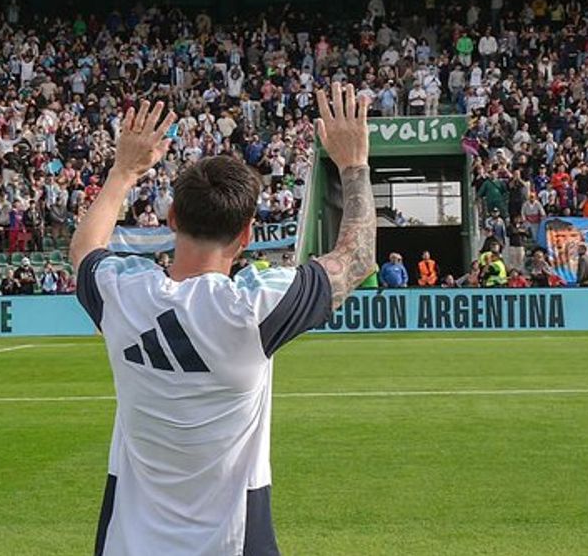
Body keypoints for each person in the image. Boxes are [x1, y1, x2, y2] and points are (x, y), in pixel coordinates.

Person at [69, 89, 375, 555]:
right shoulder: (255, 308)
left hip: (126, 544)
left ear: (171, 218)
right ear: (248, 234)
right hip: (233, 543)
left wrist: (124, 171)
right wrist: (353, 164)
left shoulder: (122, 293)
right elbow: (357, 258)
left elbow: (84, 251)